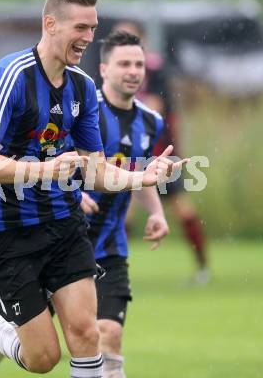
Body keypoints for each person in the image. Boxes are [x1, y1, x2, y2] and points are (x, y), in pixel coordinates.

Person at [0, 0, 186, 378]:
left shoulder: (82, 87)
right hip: (5, 233)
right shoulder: (10, 76)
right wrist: (43, 170)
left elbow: (95, 171)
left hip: (62, 226)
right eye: (80, 28)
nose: (89, 37)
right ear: (50, 24)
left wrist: (143, 177)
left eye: (93, 28)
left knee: (86, 334)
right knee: (43, 358)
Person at [77, 31, 169, 378]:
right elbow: (60, 162)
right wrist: (74, 191)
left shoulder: (150, 121)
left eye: (139, 64)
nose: (133, 71)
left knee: (110, 334)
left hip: (110, 246)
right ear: (103, 69)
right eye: (124, 63)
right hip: (65, 240)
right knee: (33, 343)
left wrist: (157, 212)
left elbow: (139, 174)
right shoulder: (85, 114)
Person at [113, 20, 210, 284]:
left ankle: (202, 267)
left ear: (142, 40)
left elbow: (155, 106)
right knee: (124, 210)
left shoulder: (155, 69)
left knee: (181, 208)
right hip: (130, 154)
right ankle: (113, 272)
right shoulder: (112, 73)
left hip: (160, 152)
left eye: (129, 38)